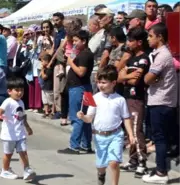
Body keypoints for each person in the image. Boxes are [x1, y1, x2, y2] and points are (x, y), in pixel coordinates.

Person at [76, 65, 134, 185]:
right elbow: (89, 118)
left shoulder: (120, 100)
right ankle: (101, 175)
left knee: (114, 162)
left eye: (103, 82)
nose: (100, 85)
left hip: (116, 134)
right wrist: (83, 117)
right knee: (101, 165)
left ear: (113, 83)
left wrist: (131, 135)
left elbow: (126, 118)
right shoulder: (95, 98)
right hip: (99, 136)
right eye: (98, 82)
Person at [142, 23, 177, 184]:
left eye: (150, 36)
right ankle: (159, 169)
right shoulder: (158, 54)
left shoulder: (163, 55)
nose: (148, 39)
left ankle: (161, 172)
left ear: (160, 37)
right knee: (160, 138)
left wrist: (149, 78)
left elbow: (147, 78)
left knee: (160, 139)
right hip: (161, 101)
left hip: (161, 102)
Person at [118, 27, 150, 178]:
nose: (128, 43)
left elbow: (137, 80)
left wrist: (126, 75)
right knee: (129, 131)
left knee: (136, 131)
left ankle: (142, 162)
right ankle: (133, 160)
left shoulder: (144, 58)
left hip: (137, 98)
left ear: (139, 42)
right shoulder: (130, 59)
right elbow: (118, 77)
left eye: (131, 41)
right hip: (126, 97)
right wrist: (126, 76)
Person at [0, 77, 35, 180]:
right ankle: (5, 170)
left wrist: (28, 127)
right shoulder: (8, 101)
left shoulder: (21, 102)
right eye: (17, 90)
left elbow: (22, 116)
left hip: (20, 133)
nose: (20, 93)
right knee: (8, 154)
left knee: (23, 151)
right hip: (9, 135)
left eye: (22, 90)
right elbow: (0, 110)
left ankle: (27, 170)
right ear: (9, 91)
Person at [39, 54, 54, 118]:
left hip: (49, 88)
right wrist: (42, 70)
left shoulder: (49, 69)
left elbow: (44, 77)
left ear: (47, 61)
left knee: (50, 101)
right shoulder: (45, 69)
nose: (41, 63)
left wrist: (42, 70)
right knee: (45, 100)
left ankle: (52, 112)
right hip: (44, 87)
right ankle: (46, 111)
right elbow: (40, 76)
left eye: (42, 61)